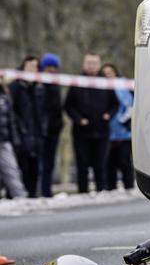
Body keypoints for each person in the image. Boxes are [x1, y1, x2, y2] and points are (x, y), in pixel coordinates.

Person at [64, 53, 118, 193]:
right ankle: (83, 192)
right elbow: (68, 106)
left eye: (94, 63)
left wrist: (108, 115)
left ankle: (101, 190)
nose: (91, 65)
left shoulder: (105, 82)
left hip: (101, 130)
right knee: (82, 164)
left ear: (98, 65)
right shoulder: (77, 82)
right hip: (81, 132)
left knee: (100, 164)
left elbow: (115, 104)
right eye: (89, 62)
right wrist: (78, 119)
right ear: (84, 64)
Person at [9, 56, 45, 196]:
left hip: (36, 134)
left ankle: (32, 195)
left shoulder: (39, 87)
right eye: (29, 66)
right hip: (21, 133)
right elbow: (12, 111)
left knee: (34, 169)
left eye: (35, 66)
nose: (32, 69)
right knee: (19, 167)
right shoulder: (16, 86)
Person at [101, 63, 134, 192]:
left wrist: (123, 121)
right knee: (109, 163)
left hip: (123, 132)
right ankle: (111, 189)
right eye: (105, 74)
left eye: (110, 73)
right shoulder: (101, 87)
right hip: (107, 132)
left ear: (115, 73)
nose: (108, 76)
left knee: (124, 161)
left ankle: (129, 187)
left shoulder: (122, 86)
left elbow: (129, 105)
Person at [39, 53, 63, 198]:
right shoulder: (40, 83)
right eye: (49, 67)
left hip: (54, 129)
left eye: (54, 67)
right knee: (40, 165)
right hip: (41, 130)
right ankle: (39, 191)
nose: (52, 70)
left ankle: (47, 192)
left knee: (49, 164)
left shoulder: (56, 83)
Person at [0, 80, 28, 199]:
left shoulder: (5, 97)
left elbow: (11, 120)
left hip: (4, 140)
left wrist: (14, 138)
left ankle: (20, 197)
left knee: (12, 169)